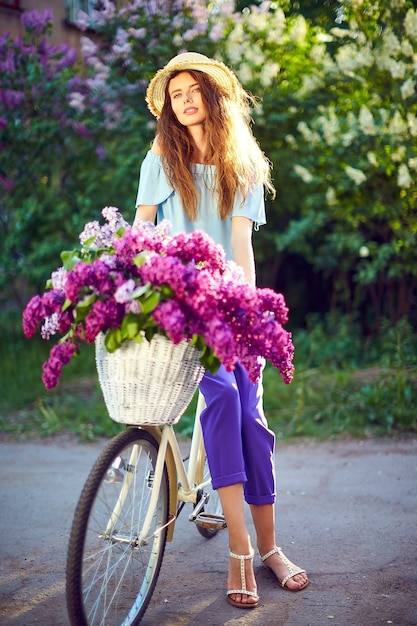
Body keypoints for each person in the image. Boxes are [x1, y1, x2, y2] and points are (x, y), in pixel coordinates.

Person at [134, 52, 308, 609]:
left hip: (228, 303)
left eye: (193, 91)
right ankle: (239, 550)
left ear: (214, 96)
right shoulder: (161, 157)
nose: (183, 101)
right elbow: (141, 233)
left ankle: (270, 547)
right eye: (175, 93)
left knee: (254, 422)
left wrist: (248, 307)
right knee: (225, 402)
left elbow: (240, 246)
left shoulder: (242, 163)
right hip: (177, 305)